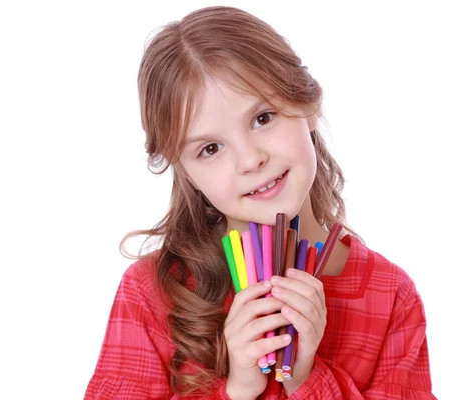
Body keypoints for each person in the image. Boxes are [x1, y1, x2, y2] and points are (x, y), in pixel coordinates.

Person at [84, 5, 435, 399]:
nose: (251, 160)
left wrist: (306, 379)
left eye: (263, 118)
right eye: (211, 148)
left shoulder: (390, 296)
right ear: (186, 173)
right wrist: (236, 391)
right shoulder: (152, 293)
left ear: (308, 104)